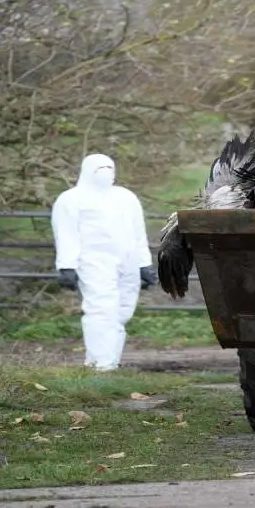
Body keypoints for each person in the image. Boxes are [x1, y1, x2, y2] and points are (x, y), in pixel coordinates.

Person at [51, 154, 155, 371]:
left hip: (128, 260)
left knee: (122, 311)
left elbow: (138, 232)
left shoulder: (126, 197)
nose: (106, 171)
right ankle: (103, 365)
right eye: (100, 168)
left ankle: (105, 360)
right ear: (87, 170)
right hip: (93, 261)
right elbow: (66, 233)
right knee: (100, 310)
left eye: (109, 167)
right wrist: (67, 265)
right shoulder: (71, 199)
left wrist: (144, 264)